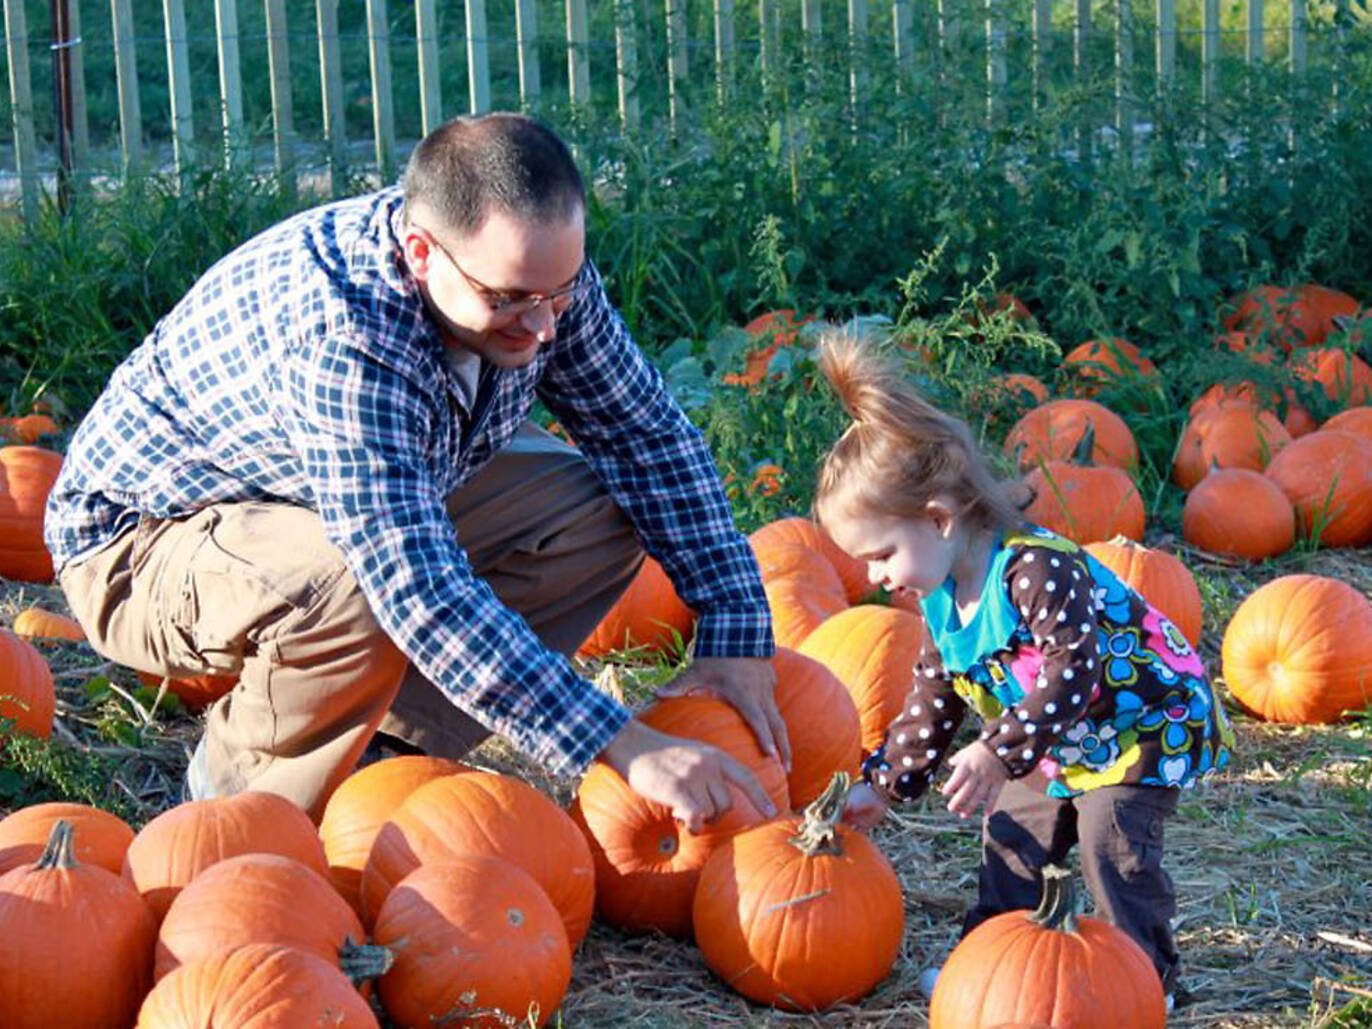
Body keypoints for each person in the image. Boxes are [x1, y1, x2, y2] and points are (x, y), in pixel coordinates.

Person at [44, 112, 789, 827]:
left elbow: (643, 434)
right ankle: (233, 802)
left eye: (560, 292)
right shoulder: (348, 337)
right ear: (423, 253)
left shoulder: (531, 276)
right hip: (142, 540)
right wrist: (622, 743)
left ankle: (383, 747)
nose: (543, 324)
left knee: (605, 505)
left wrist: (736, 625)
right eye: (509, 300)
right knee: (349, 582)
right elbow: (416, 587)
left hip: (317, 501)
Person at [811, 331, 1233, 1008]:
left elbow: (1074, 670)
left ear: (940, 520)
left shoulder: (1035, 568)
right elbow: (935, 694)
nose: (874, 576)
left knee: (1109, 843)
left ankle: (1147, 978)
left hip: (1137, 727)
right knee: (1012, 833)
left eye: (881, 554)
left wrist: (996, 748)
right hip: (1054, 740)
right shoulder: (942, 597)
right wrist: (885, 785)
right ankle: (991, 966)